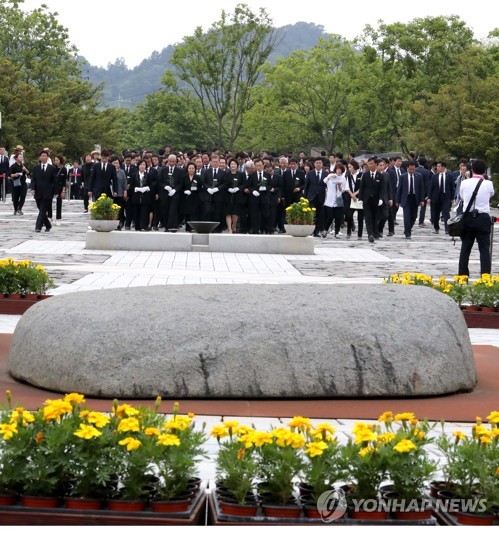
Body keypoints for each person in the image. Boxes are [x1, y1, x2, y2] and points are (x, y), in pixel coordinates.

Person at [458, 160, 494, 277]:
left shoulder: (465, 183)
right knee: (484, 249)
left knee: (465, 248)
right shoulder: (488, 184)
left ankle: (463, 276)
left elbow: (462, 197)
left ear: (471, 170)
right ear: (484, 171)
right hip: (483, 218)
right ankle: (485, 276)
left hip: (468, 217)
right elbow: (491, 195)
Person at [395, 161, 425, 239]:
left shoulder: (419, 176)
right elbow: (399, 189)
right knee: (407, 216)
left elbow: (421, 189)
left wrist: (422, 200)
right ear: (407, 168)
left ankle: (408, 229)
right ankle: (408, 233)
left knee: (414, 216)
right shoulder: (403, 177)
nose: (412, 171)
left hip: (415, 198)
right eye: (410, 169)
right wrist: (397, 201)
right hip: (406, 198)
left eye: (413, 169)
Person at [31, 149, 56, 232]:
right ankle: (48, 225)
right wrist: (33, 189)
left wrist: (55, 192)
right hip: (38, 192)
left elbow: (55, 181)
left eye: (45, 156)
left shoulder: (52, 168)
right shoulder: (36, 168)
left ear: (47, 157)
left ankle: (38, 227)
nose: (44, 157)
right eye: (42, 156)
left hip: (48, 193)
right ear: (40, 157)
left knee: (42, 210)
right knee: (41, 209)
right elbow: (33, 179)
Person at [428, 161, 454, 234]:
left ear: (443, 167)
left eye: (439, 166)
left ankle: (447, 229)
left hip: (446, 197)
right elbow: (431, 187)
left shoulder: (449, 176)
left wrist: (452, 198)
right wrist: (429, 197)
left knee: (446, 213)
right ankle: (436, 228)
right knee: (436, 214)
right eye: (437, 166)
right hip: (436, 197)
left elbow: (452, 187)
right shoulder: (435, 176)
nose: (437, 168)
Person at [111, 156, 127, 230]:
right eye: (114, 163)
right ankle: (113, 223)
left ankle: (120, 223)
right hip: (111, 194)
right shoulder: (109, 172)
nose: (116, 164)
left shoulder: (122, 172)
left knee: (120, 210)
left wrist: (125, 191)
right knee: (112, 210)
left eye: (117, 163)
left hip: (120, 194)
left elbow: (124, 182)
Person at [53, 155, 68, 223]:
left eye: (57, 160)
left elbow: (64, 181)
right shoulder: (52, 168)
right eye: (55, 160)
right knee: (49, 202)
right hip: (52, 187)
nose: (56, 161)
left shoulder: (64, 169)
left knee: (59, 203)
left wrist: (63, 191)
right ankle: (49, 216)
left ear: (60, 161)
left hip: (60, 187)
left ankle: (58, 218)